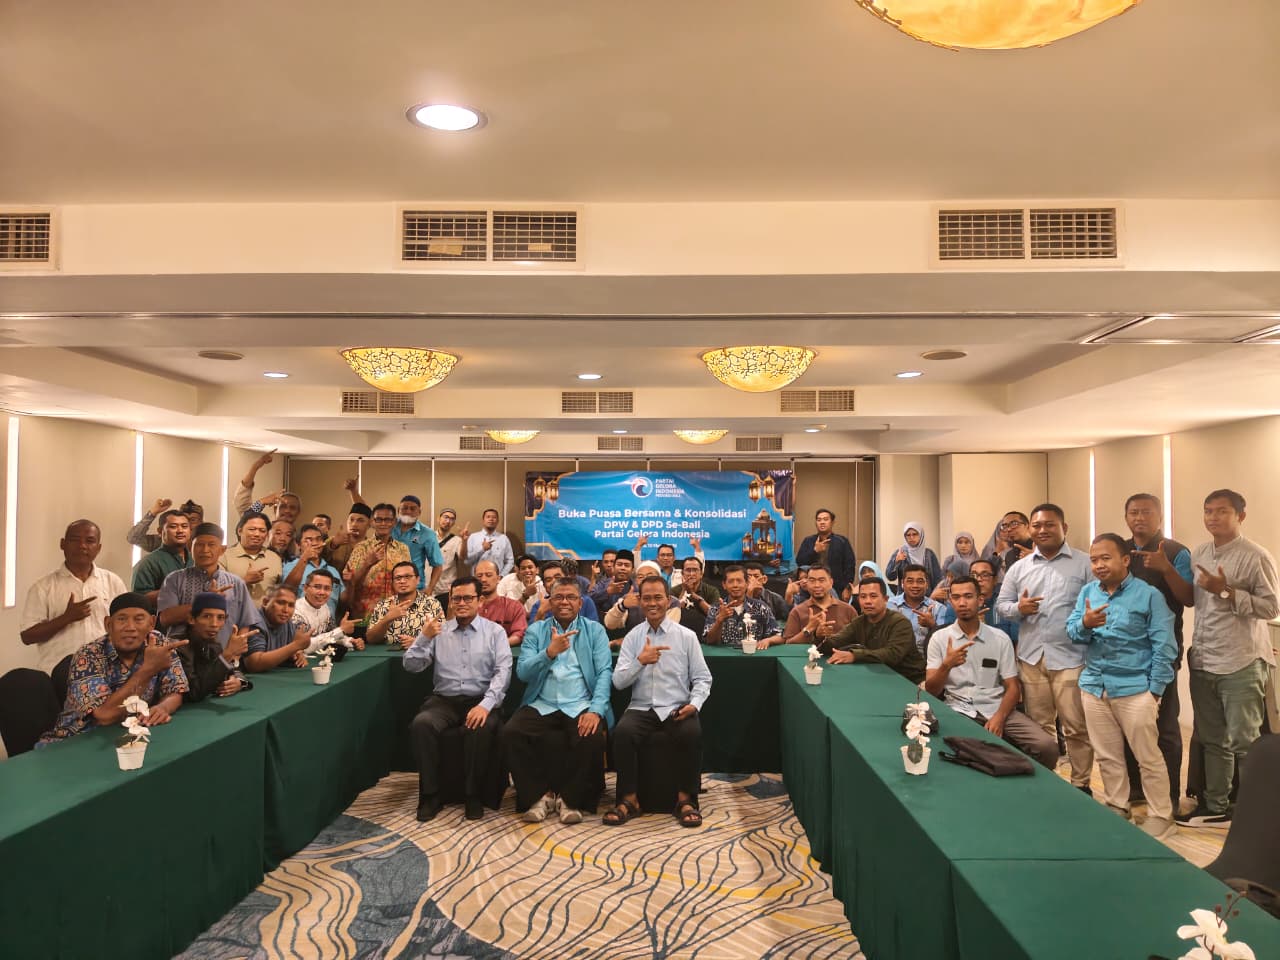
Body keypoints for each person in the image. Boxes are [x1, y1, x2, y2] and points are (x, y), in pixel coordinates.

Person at [1067, 534, 1178, 838]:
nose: (1099, 565)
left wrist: (1154, 691)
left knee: (1148, 757)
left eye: (1106, 558)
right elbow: (1072, 631)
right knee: (1107, 756)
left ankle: (1161, 815)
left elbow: (1165, 646)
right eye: (1094, 560)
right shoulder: (1088, 592)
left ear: (1125, 560)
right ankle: (1117, 805)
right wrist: (1085, 624)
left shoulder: (1149, 595)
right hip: (1094, 686)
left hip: (1135, 689)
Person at [1179, 489, 1278, 828]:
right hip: (1204, 659)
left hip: (1242, 661)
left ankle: (1255, 813)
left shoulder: (1256, 556)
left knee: (1246, 743)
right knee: (1212, 740)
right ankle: (1216, 806)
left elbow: (1271, 607)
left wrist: (1225, 590)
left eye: (1222, 511)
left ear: (1240, 516)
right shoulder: (1199, 552)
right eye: (1208, 511)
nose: (1213, 517)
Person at [995, 503, 1095, 792]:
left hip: (1072, 657)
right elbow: (1001, 606)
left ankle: (1081, 785)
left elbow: (1099, 602)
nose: (1042, 530)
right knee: (1040, 728)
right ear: (1030, 529)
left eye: (1049, 524)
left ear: (1064, 528)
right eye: (1037, 525)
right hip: (1032, 658)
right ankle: (1049, 785)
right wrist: (1019, 608)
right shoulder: (1019, 568)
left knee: (1076, 727)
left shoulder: (1084, 564)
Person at [502, 579, 613, 824]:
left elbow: (605, 672)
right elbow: (523, 673)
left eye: (571, 597)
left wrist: (595, 710)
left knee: (592, 736)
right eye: (559, 597)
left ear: (580, 603)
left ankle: (570, 800)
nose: (564, 602)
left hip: (580, 702)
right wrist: (549, 653)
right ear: (550, 602)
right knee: (511, 732)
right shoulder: (536, 631)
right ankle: (539, 796)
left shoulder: (594, 631)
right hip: (542, 702)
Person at [403, 576, 513, 822]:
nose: (461, 603)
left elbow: (503, 672)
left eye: (468, 598)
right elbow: (411, 666)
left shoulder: (495, 632)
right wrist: (423, 638)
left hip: (480, 698)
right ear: (450, 601)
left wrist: (486, 705)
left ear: (480, 601)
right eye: (456, 598)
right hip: (444, 701)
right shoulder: (437, 631)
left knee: (478, 728)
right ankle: (431, 795)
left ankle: (473, 795)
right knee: (422, 724)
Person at [607, 576, 712, 828]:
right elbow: (618, 682)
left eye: (658, 598)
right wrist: (640, 662)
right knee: (622, 733)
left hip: (677, 707)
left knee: (691, 732)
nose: (652, 603)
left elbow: (702, 678)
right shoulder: (633, 637)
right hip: (641, 707)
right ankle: (629, 800)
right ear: (639, 601)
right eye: (646, 598)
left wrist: (694, 704)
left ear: (668, 600)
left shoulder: (686, 636)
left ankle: (686, 800)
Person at [926, 575, 1057, 768]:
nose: (962, 603)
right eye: (956, 597)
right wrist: (946, 665)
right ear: (950, 601)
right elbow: (931, 690)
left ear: (980, 600)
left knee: (1047, 747)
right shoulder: (940, 638)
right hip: (958, 708)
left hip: (996, 706)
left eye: (968, 596)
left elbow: (1013, 687)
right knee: (956, 746)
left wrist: (999, 717)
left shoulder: (1000, 638)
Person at [37, 593, 188, 746]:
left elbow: (175, 690)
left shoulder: (158, 643)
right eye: (122, 619)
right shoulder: (88, 655)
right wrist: (147, 670)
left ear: (151, 623)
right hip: (76, 740)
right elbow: (105, 715)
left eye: (139, 619)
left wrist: (163, 707)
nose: (130, 627)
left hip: (128, 734)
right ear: (108, 624)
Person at [1122, 492, 1193, 809]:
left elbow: (1189, 598)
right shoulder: (1120, 550)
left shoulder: (1176, 551)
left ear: (1160, 516)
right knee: (1128, 724)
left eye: (1147, 512)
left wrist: (1166, 569)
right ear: (1126, 517)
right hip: (1123, 653)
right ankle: (1136, 788)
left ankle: (1169, 795)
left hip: (1161, 653)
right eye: (1134, 512)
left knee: (1164, 728)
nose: (1139, 518)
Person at [20, 519, 127, 673]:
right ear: (62, 544)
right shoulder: (43, 587)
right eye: (75, 540)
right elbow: (27, 636)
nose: (82, 545)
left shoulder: (113, 581)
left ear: (98, 548)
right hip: (57, 673)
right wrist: (66, 618)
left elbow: (126, 624)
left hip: (105, 671)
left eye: (89, 541)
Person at [157, 523, 262, 647]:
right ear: (190, 547)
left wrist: (234, 652)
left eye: (211, 545)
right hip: (181, 654)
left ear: (222, 550)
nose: (205, 550)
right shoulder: (174, 579)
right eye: (199, 545)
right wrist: (205, 600)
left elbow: (245, 622)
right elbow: (165, 619)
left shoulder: (236, 583)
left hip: (224, 653)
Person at [826, 578, 926, 684]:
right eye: (863, 597)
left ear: (885, 599)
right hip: (879, 678)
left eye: (873, 596)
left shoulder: (900, 622)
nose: (867, 601)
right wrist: (818, 635)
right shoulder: (859, 622)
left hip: (911, 681)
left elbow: (892, 654)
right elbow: (836, 642)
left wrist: (854, 655)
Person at [177, 592, 253, 702]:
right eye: (207, 616)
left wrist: (238, 682)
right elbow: (193, 691)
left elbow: (233, 670)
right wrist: (227, 655)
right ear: (191, 619)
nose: (214, 624)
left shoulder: (214, 645)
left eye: (220, 617)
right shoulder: (179, 647)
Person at [343, 503, 412, 617]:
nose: (383, 523)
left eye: (387, 520)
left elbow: (409, 580)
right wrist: (367, 563)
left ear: (394, 522)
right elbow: (350, 583)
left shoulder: (403, 549)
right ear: (372, 522)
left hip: (395, 612)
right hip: (365, 613)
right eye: (379, 520)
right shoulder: (361, 548)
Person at [366, 561, 446, 648]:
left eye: (407, 577)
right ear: (392, 582)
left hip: (420, 654)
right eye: (398, 578)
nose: (402, 581)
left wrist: (418, 642)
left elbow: (444, 638)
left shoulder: (432, 604)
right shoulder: (383, 605)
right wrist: (387, 618)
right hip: (386, 654)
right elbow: (371, 639)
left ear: (418, 580)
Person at [776, 565, 855, 649]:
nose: (817, 585)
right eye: (812, 580)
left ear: (831, 582)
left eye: (821, 580)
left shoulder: (848, 610)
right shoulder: (797, 612)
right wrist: (808, 629)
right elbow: (788, 645)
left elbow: (858, 641)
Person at [703, 565, 780, 649]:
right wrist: (719, 620)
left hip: (753, 654)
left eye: (739, 581)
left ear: (747, 583)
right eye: (731, 581)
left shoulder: (761, 607)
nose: (735, 585)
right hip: (723, 655)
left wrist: (768, 640)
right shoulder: (715, 609)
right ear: (724, 585)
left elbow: (779, 636)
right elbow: (710, 641)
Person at [603, 560, 680, 641]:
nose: (645, 579)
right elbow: (609, 624)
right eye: (640, 577)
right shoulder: (629, 598)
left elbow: (665, 632)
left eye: (650, 575)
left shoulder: (672, 601)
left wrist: (622, 641)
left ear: (660, 578)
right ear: (636, 581)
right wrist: (622, 605)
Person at [242, 585, 314, 672]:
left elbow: (290, 652)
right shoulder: (254, 622)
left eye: (291, 605)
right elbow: (254, 664)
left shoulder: (287, 623)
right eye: (281, 603)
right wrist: (295, 645)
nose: (286, 610)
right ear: (265, 602)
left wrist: (296, 655)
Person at [290, 569, 363, 651]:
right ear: (305, 588)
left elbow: (330, 634)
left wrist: (349, 641)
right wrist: (341, 630)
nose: (322, 592)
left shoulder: (324, 607)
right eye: (317, 587)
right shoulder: (294, 612)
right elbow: (302, 646)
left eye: (327, 588)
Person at [281, 523, 344, 616]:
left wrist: (352, 582)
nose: (315, 543)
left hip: (329, 622)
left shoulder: (333, 570)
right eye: (309, 540)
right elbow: (287, 590)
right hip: (299, 621)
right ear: (298, 545)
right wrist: (304, 558)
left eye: (318, 539)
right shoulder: (290, 566)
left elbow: (344, 600)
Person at [130, 508, 192, 602]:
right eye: (173, 527)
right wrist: (176, 590)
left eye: (184, 526)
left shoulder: (196, 560)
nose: (180, 530)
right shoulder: (148, 563)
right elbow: (139, 599)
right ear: (160, 531)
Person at [220, 511, 282, 604]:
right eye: (252, 529)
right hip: (233, 612)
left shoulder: (275, 558)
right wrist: (244, 581)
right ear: (240, 531)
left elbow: (279, 591)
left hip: (264, 613)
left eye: (262, 531)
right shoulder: (224, 556)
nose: (257, 534)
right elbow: (219, 592)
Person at [795, 509, 857, 601]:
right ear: (816, 523)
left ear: (832, 522)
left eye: (825, 519)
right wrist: (815, 551)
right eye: (819, 520)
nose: (822, 522)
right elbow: (800, 562)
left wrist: (847, 587)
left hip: (837, 588)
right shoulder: (808, 541)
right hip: (812, 589)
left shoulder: (842, 541)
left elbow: (850, 566)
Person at [888, 563, 947, 655]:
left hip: (926, 658)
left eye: (920, 581)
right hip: (894, 657)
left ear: (927, 584)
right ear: (903, 583)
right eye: (910, 581)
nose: (915, 585)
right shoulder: (890, 605)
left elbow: (945, 640)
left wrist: (932, 625)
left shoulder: (938, 608)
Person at [392, 494, 446, 594]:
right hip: (387, 586)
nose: (408, 511)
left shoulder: (427, 534)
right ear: (398, 510)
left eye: (413, 509)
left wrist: (430, 589)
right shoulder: (389, 527)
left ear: (419, 512)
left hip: (414, 588)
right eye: (405, 508)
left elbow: (438, 565)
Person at [234, 448, 301, 525]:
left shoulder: (304, 532)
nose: (287, 511)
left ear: (298, 512)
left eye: (292, 508)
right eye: (283, 506)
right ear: (275, 509)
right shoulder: (263, 530)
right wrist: (255, 467)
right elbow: (246, 515)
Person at [473, 559, 528, 646]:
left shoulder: (514, 606)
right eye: (479, 576)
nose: (483, 579)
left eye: (488, 575)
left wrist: (497, 645)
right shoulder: (467, 606)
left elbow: (519, 634)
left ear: (498, 579)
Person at [528, 561, 600, 623]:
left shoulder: (585, 602)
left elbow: (595, 631)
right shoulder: (538, 606)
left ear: (567, 578)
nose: (553, 582)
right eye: (548, 580)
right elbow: (531, 633)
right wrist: (540, 613)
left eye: (557, 577)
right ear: (544, 585)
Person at [126, 496, 200, 554]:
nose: (187, 525)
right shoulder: (162, 541)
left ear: (200, 523)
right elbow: (133, 538)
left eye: (193, 520)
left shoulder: (204, 544)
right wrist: (153, 513)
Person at [886, 522, 943, 591]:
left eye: (915, 534)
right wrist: (896, 562)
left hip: (926, 595)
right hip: (905, 595)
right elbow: (890, 577)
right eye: (908, 535)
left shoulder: (929, 554)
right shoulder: (900, 552)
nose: (911, 538)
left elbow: (937, 579)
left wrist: (934, 595)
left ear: (921, 535)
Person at [672, 556, 720, 637]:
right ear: (682, 573)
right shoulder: (674, 591)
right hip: (679, 634)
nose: (691, 574)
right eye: (688, 570)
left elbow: (715, 615)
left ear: (701, 574)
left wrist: (693, 594)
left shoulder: (712, 590)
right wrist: (684, 591)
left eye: (695, 570)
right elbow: (673, 615)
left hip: (705, 633)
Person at [432, 507, 470, 610]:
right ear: (438, 519)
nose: (448, 521)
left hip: (445, 590)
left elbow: (462, 556)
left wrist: (464, 541)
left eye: (452, 519)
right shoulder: (428, 537)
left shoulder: (456, 540)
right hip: (427, 588)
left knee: (446, 618)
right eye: (446, 517)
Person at [322, 502, 372, 574]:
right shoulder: (333, 541)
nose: (354, 524)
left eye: (360, 520)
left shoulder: (372, 547)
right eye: (351, 520)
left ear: (369, 524)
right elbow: (317, 561)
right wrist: (333, 544)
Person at [466, 509, 514, 576]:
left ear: (498, 521)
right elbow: (467, 561)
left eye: (494, 517)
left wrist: (501, 575)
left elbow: (510, 561)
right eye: (488, 517)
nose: (491, 519)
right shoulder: (473, 537)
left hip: (498, 579)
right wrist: (482, 550)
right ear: (483, 520)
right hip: (477, 578)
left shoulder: (504, 538)